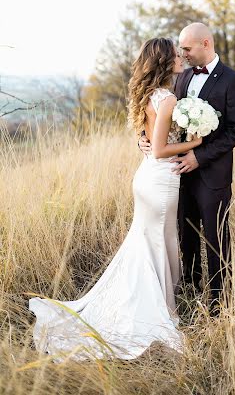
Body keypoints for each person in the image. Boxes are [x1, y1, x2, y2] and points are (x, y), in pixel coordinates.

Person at [28, 37, 203, 362]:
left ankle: (163, 305)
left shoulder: (150, 95)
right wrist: (195, 143)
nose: (181, 58)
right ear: (165, 61)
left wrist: (151, 140)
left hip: (149, 177)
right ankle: (158, 311)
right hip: (160, 180)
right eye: (176, 55)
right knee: (156, 243)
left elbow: (149, 139)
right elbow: (163, 148)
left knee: (150, 242)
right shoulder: (166, 100)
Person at [139, 23, 235, 314]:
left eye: (187, 49)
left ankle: (218, 301)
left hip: (212, 174)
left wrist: (199, 156)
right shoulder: (180, 77)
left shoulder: (233, 80)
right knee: (184, 234)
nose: (183, 54)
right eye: (181, 50)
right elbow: (158, 118)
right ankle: (188, 288)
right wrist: (143, 139)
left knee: (215, 237)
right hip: (177, 175)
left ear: (206, 43)